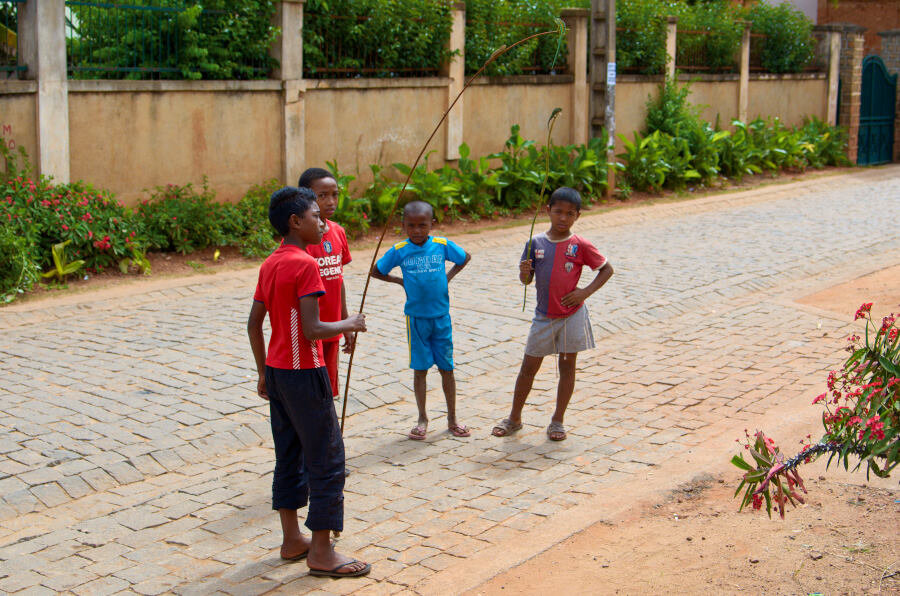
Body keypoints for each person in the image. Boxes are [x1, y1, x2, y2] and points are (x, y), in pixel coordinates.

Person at [246, 186, 371, 578]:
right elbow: (315, 329)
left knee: (289, 454)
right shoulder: (305, 265)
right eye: (316, 216)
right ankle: (320, 550)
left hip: (279, 373)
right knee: (328, 458)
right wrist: (350, 323)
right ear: (295, 222)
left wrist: (263, 371)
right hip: (304, 372)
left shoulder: (271, 263)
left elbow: (254, 324)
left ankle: (291, 539)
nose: (323, 222)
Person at [492, 187, 613, 442]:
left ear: (577, 216)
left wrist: (584, 293)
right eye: (558, 212)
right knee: (528, 367)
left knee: (567, 366)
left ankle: (557, 420)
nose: (563, 218)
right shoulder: (535, 243)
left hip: (572, 315)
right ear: (548, 211)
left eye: (570, 214)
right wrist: (524, 272)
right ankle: (514, 418)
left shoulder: (580, 245)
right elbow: (527, 280)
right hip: (543, 317)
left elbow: (606, 269)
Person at [371, 200, 472, 441]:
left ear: (432, 224)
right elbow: (376, 271)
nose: (417, 231)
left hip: (441, 318)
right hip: (416, 319)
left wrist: (448, 277)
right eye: (411, 226)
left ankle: (452, 419)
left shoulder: (441, 244)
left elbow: (464, 257)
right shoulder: (399, 249)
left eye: (422, 225)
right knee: (420, 369)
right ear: (403, 225)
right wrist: (399, 281)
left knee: (447, 368)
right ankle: (422, 419)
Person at [298, 167, 354, 400]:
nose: (331, 201)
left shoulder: (338, 232)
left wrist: (346, 322)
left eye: (335, 194)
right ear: (306, 197)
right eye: (322, 195)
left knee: (330, 391)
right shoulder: (301, 237)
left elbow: (338, 280)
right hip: (311, 329)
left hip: (333, 326)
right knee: (312, 390)